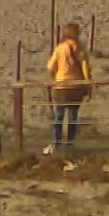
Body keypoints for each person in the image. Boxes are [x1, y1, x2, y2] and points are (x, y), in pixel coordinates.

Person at [44, 22, 92, 154]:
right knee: (73, 116)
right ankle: (70, 143)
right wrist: (87, 84)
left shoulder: (60, 48)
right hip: (76, 86)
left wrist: (57, 74)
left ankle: (56, 142)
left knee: (58, 116)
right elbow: (85, 67)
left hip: (61, 86)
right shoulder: (80, 48)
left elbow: (50, 67)